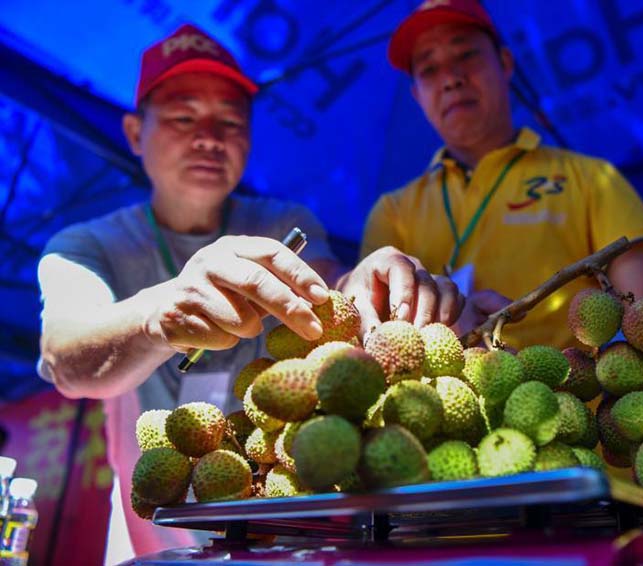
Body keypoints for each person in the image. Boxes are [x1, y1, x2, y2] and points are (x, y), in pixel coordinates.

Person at [36, 24, 461, 563]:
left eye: (230, 121)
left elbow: (331, 280)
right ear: (134, 132)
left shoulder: (284, 220)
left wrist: (360, 283)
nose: (209, 137)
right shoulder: (82, 246)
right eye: (184, 116)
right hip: (152, 548)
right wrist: (157, 317)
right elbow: (64, 357)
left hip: (290, 543)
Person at [361, 0, 643, 351]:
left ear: (506, 63)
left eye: (466, 55)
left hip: (581, 421)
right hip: (450, 423)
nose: (451, 78)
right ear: (417, 96)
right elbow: (379, 340)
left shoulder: (592, 179)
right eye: (429, 69)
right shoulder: (392, 213)